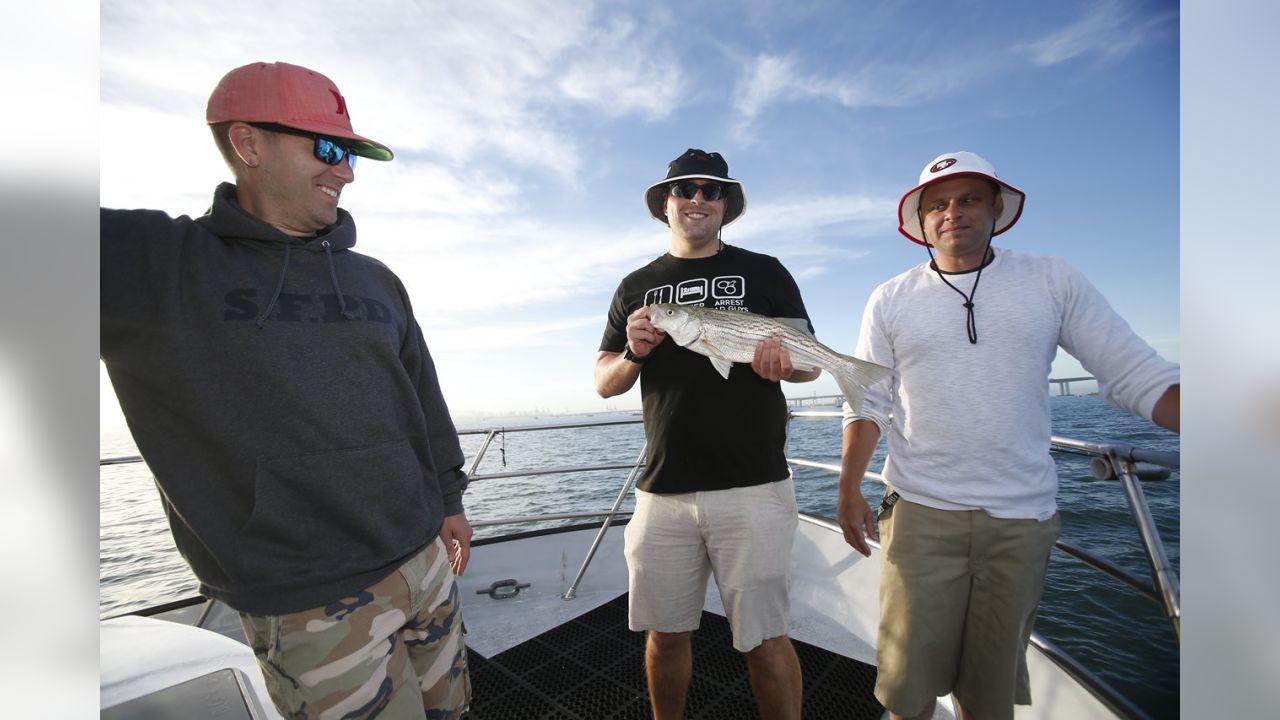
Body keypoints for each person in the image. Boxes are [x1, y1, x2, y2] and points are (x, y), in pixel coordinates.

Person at [100, 61, 472, 719]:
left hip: (425, 559)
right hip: (308, 600)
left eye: (351, 154)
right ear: (248, 144)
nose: (346, 172)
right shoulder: (153, 264)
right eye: (327, 148)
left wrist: (448, 499)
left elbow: (422, 396)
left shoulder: (376, 279)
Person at [837, 151, 1180, 720]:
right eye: (937, 205)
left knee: (987, 698)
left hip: (1021, 521)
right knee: (907, 692)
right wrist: (849, 488)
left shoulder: (1051, 279)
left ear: (997, 207)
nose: (953, 212)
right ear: (920, 221)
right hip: (920, 514)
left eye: (969, 199)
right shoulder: (890, 298)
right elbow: (868, 401)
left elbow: (1134, 374)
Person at [595, 148, 820, 720]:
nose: (698, 199)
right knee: (665, 635)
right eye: (685, 189)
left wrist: (786, 367)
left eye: (712, 190)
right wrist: (634, 354)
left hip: (755, 487)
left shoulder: (766, 271)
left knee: (765, 640)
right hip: (663, 491)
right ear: (664, 203)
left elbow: (809, 365)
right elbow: (603, 382)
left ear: (726, 205)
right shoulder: (636, 286)